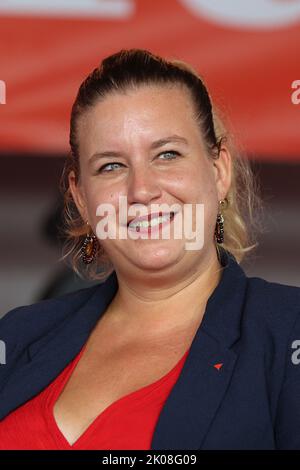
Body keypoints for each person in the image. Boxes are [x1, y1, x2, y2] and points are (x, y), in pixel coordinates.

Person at [0, 48, 300, 451]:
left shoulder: (287, 333)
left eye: (167, 154)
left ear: (219, 171)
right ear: (82, 197)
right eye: (111, 166)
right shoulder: (16, 336)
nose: (141, 190)